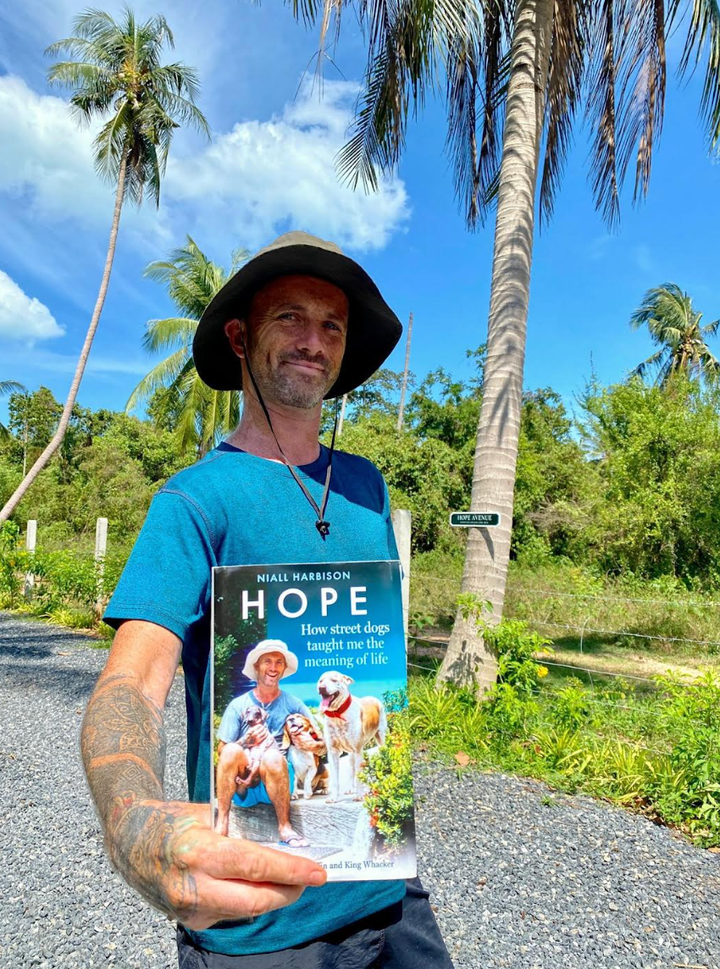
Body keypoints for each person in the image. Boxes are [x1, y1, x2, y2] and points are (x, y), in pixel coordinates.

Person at [82, 231, 455, 967]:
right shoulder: (192, 501)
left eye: (332, 325)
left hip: (383, 881)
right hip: (256, 914)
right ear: (239, 336)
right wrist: (133, 823)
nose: (313, 340)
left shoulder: (366, 487)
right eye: (290, 317)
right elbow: (133, 678)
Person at [214, 639, 321, 846]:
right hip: (243, 785)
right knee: (231, 750)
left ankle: (285, 827)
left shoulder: (293, 703)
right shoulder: (239, 705)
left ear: (284, 668)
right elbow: (222, 751)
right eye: (267, 661)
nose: (273, 668)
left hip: (277, 778)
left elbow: (319, 738)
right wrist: (246, 740)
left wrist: (306, 743)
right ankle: (222, 823)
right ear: (257, 667)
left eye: (279, 662)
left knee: (272, 756)